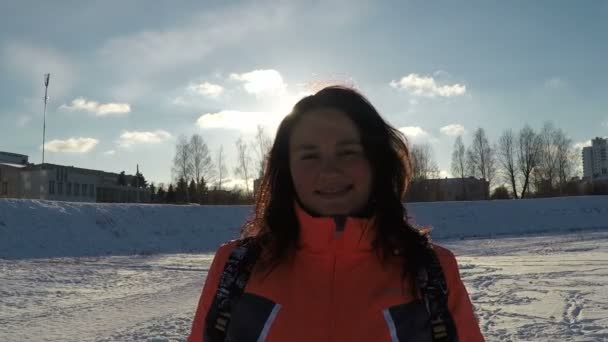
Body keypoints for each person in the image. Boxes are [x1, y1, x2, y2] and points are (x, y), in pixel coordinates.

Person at [188, 86, 484, 341]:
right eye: (309, 155)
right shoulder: (235, 269)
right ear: (287, 169)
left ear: (375, 162)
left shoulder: (432, 273)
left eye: (347, 152)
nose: (329, 171)